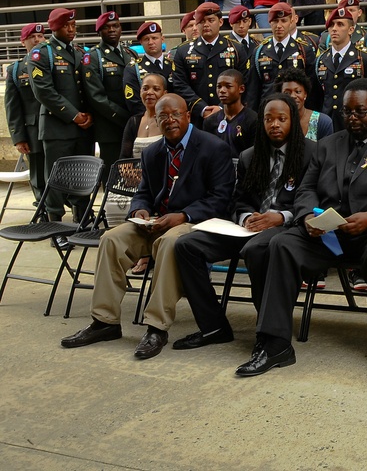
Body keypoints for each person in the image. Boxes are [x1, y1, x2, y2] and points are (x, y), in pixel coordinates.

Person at [237, 79, 367, 376]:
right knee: (280, 244)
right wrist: (308, 216)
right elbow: (307, 188)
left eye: (360, 111)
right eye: (347, 112)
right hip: (327, 230)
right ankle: (274, 344)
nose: (352, 118)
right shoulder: (328, 144)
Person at [59, 94, 235, 359]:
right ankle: (104, 322)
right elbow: (143, 192)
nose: (170, 120)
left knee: (170, 243)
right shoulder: (153, 151)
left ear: (188, 116)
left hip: (197, 224)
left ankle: (156, 327)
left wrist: (183, 215)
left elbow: (221, 199)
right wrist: (138, 210)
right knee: (112, 239)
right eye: (163, 116)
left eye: (176, 114)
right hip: (156, 222)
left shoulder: (213, 147)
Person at [172, 93, 315, 352]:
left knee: (257, 249)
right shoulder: (250, 156)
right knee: (186, 245)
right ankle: (213, 326)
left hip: (287, 229)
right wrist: (247, 216)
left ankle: (268, 332)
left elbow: (315, 198)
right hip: (248, 228)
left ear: (292, 121)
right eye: (268, 119)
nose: (275, 125)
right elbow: (238, 201)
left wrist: (280, 216)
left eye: (282, 119)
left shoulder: (311, 153)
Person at [28, 7, 92, 222]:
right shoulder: (42, 53)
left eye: (74, 25)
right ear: (55, 28)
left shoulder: (79, 52)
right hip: (58, 126)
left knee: (82, 173)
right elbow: (44, 91)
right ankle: (55, 222)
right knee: (55, 177)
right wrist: (74, 115)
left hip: (83, 126)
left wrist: (88, 115)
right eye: (66, 26)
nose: (71, 29)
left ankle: (82, 217)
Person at [119, 72, 169, 275]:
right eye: (145, 88)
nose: (150, 93)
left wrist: (144, 181)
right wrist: (134, 177)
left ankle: (147, 254)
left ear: (164, 93)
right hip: (133, 180)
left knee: (150, 199)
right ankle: (130, 250)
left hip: (160, 181)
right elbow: (123, 158)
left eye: (156, 89)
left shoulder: (168, 121)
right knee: (118, 202)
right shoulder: (133, 121)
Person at [170, 2, 250, 127]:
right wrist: (202, 109)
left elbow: (244, 81)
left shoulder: (236, 49)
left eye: (211, 20)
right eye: (201, 21)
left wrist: (220, 108)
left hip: (231, 115)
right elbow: (180, 84)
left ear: (221, 22)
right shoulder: (184, 51)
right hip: (197, 117)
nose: (206, 24)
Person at [316, 7, 367, 130]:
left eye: (340, 24)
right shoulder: (321, 60)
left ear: (351, 29)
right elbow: (317, 97)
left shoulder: (364, 58)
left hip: (357, 124)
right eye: (331, 25)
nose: (334, 29)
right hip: (329, 125)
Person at [245, 2, 318, 111]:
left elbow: (312, 89)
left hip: (295, 110)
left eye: (284, 21)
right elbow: (253, 91)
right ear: (269, 23)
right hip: (268, 110)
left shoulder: (303, 50)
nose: (279, 26)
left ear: (291, 22)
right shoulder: (259, 51)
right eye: (275, 21)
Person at [83, 10, 132, 173]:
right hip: (110, 127)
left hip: (132, 126)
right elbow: (97, 97)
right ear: (99, 32)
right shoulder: (93, 57)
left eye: (115, 26)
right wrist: (125, 117)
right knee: (113, 175)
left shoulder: (129, 54)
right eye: (107, 27)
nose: (112, 30)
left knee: (133, 175)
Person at [5, 22, 48, 202]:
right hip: (33, 132)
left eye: (40, 36)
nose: (37, 40)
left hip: (59, 129)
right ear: (23, 42)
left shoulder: (54, 62)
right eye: (32, 37)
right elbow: (12, 107)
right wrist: (18, 138)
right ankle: (42, 210)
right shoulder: (15, 69)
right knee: (38, 176)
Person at [202, 70, 258, 157]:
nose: (222, 91)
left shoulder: (253, 119)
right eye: (219, 86)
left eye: (228, 86)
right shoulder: (210, 121)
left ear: (241, 89)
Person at [123, 21, 173, 116]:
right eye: (146, 39)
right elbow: (133, 102)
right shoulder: (134, 69)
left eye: (154, 38)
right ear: (141, 42)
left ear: (162, 39)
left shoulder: (172, 65)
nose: (151, 42)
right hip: (147, 120)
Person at [275, 68, 333, 142]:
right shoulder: (275, 123)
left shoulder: (322, 122)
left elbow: (326, 151)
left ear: (305, 94)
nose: (293, 96)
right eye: (287, 93)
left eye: (298, 92)